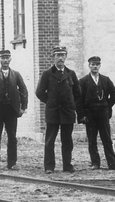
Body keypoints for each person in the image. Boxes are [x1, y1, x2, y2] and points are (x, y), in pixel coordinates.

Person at [35, 46, 82, 174]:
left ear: (66, 57)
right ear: (53, 57)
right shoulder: (47, 74)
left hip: (67, 112)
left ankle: (67, 165)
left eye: (62, 55)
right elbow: (39, 92)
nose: (60, 58)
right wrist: (51, 101)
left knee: (67, 141)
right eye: (58, 55)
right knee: (50, 141)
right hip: (53, 112)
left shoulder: (71, 73)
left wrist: (69, 103)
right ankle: (49, 166)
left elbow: (77, 92)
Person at [0, 48, 29, 171]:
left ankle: (12, 163)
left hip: (11, 110)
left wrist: (23, 108)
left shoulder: (16, 75)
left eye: (7, 58)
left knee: (12, 137)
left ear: (10, 59)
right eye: (3, 58)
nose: (5, 60)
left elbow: (24, 90)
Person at [78, 56, 115, 170]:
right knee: (92, 140)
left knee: (107, 138)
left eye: (97, 64)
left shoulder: (105, 80)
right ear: (89, 66)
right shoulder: (83, 81)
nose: (95, 66)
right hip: (90, 114)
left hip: (103, 113)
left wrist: (107, 106)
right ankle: (95, 163)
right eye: (93, 64)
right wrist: (82, 115)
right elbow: (78, 99)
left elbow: (114, 93)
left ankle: (112, 163)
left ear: (100, 66)